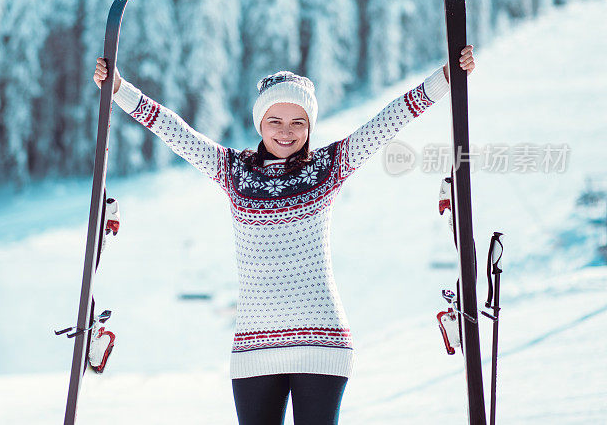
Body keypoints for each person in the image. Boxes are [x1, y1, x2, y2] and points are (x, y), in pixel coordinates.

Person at [94, 46, 476, 425]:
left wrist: (445, 78)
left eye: (298, 122)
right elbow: (173, 130)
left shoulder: (330, 167)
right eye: (275, 120)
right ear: (260, 123)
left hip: (322, 340)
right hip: (253, 345)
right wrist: (119, 89)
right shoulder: (234, 171)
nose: (286, 132)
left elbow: (387, 121)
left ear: (310, 126)